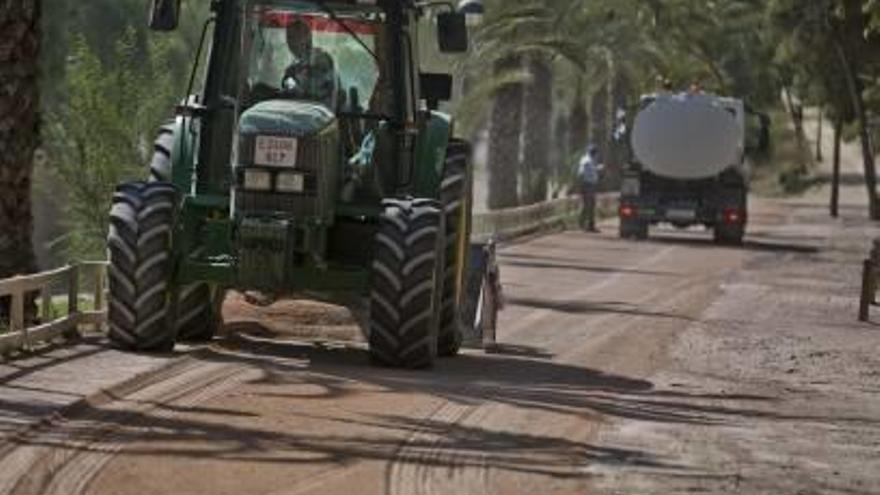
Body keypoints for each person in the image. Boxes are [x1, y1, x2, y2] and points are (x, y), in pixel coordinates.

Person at [282, 19, 339, 108]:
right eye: (288, 37)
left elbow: (311, 95)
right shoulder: (295, 66)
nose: (289, 42)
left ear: (307, 38)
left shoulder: (319, 60)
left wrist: (289, 82)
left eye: (293, 37)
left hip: (316, 117)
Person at [576, 144, 603, 232]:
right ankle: (583, 225)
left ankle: (589, 225)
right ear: (593, 153)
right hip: (587, 185)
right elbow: (581, 173)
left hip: (590, 185)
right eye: (596, 154)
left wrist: (597, 168)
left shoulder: (591, 160)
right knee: (588, 205)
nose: (597, 156)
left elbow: (591, 170)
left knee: (590, 205)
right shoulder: (586, 161)